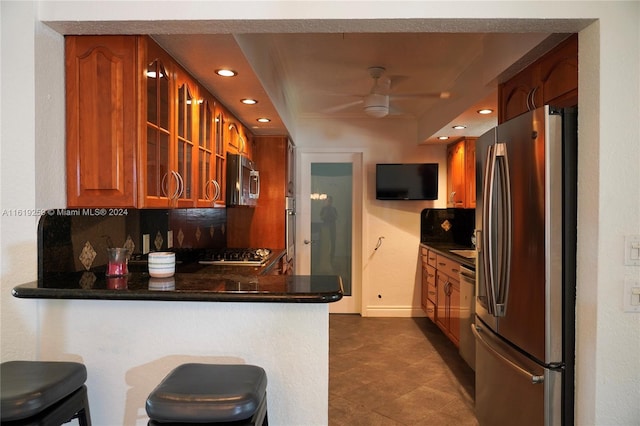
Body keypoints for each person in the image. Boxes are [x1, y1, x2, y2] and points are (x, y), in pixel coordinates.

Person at [320, 195, 338, 261]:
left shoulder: (333, 209)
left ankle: (332, 257)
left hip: (333, 227)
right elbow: (321, 217)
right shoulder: (323, 209)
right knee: (325, 242)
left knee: (333, 242)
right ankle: (324, 257)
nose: (329, 202)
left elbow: (336, 217)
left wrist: (331, 211)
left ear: (331, 201)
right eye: (327, 201)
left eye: (330, 201)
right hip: (325, 227)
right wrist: (326, 211)